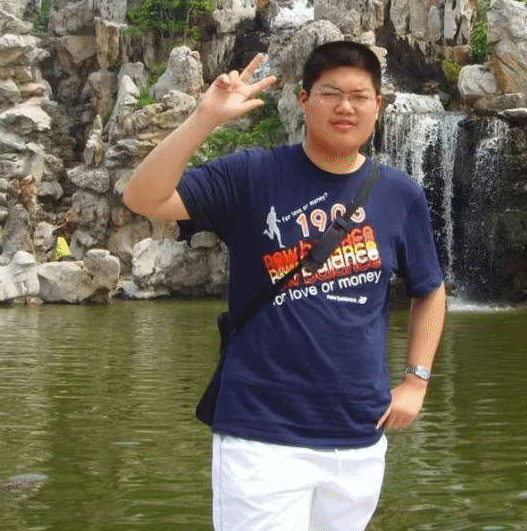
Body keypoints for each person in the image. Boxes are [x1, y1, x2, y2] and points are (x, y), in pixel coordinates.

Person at [123, 40, 446, 531]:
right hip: (261, 436)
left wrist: (415, 382)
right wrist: (204, 119)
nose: (345, 107)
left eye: (360, 96)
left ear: (378, 106)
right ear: (304, 100)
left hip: (359, 434)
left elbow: (430, 289)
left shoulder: (400, 194)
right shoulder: (251, 175)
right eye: (330, 93)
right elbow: (142, 197)